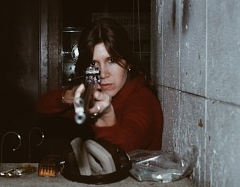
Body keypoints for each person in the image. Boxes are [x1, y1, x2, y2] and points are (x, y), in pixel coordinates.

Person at [36, 18, 163, 153]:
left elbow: (126, 145)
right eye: (93, 64)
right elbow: (42, 106)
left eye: (111, 61)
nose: (103, 74)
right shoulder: (98, 95)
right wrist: (69, 96)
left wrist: (106, 118)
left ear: (129, 63)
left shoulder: (142, 99)